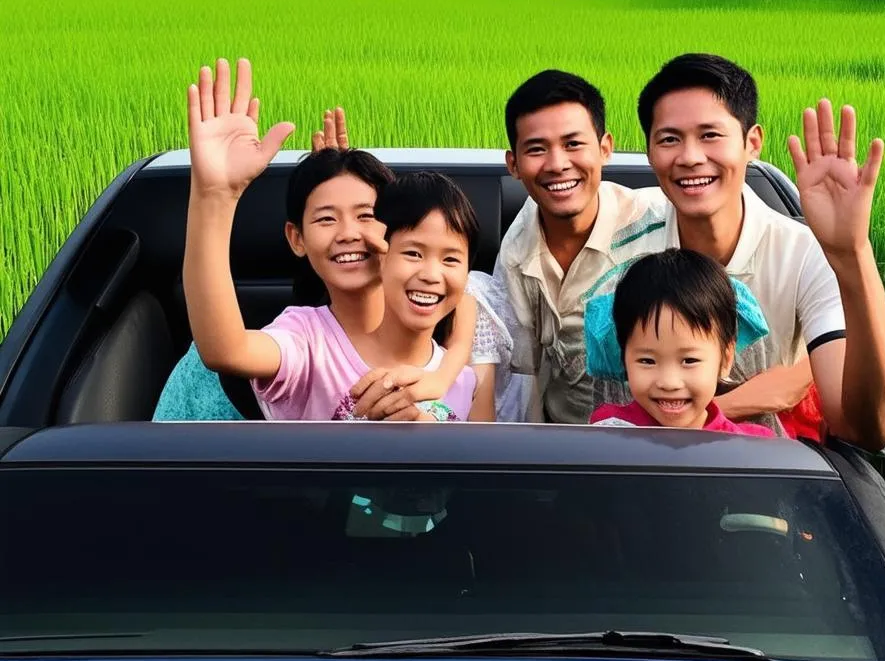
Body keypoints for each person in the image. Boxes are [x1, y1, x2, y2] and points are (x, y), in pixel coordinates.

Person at [632, 54, 885, 454]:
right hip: (647, 472)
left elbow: (866, 428)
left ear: (752, 142)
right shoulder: (626, 246)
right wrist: (744, 400)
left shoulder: (805, 254)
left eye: (710, 135)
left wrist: (852, 252)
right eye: (670, 139)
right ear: (650, 152)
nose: (690, 157)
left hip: (767, 479)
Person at [181, 57, 481, 422]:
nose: (349, 233)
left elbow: (463, 301)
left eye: (365, 215)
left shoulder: (459, 369)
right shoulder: (306, 342)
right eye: (326, 218)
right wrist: (215, 196)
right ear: (297, 238)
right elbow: (226, 349)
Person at [493, 70, 668, 424]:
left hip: (668, 446)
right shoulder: (516, 254)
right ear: (514, 164)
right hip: (571, 454)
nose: (558, 165)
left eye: (573, 144)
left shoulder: (661, 224)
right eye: (537, 149)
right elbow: (521, 378)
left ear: (605, 148)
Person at [589, 249, 776, 438]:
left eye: (689, 360)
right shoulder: (607, 434)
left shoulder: (752, 449)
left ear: (726, 359)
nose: (669, 383)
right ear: (623, 357)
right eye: (647, 361)